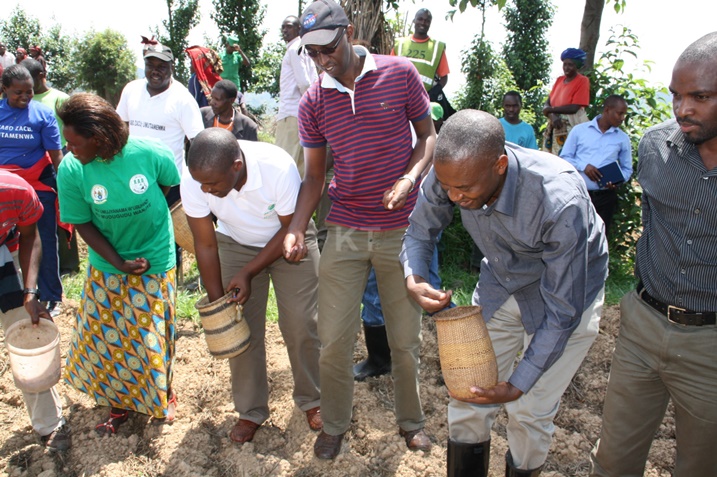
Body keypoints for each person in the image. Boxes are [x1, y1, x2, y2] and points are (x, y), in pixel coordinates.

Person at [401, 110, 608, 477]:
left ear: (499, 165)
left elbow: (563, 310)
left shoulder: (558, 199)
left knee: (529, 410)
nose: (453, 196)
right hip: (500, 282)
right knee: (468, 393)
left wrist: (518, 383)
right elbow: (420, 230)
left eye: (464, 189)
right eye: (448, 187)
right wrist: (414, 275)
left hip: (562, 294)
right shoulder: (453, 170)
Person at [283, 0, 436, 460]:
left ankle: (412, 422)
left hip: (398, 230)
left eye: (328, 47)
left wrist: (409, 178)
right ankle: (334, 424)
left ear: (348, 32)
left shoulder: (399, 72)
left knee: (405, 340)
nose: (322, 60)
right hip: (345, 230)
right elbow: (314, 177)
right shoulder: (314, 101)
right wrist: (295, 226)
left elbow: (428, 136)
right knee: (332, 342)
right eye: (311, 53)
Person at [590, 32, 717, 477]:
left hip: (710, 343)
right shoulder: (655, 148)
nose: (683, 109)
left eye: (700, 96)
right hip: (643, 326)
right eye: (676, 96)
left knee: (700, 465)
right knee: (612, 459)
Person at [182, 128, 322, 444]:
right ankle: (250, 411)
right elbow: (205, 244)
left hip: (289, 240)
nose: (205, 188)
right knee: (241, 327)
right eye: (201, 183)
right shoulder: (195, 178)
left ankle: (314, 400)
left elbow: (290, 228)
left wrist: (248, 272)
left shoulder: (276, 166)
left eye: (213, 184)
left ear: (236, 165)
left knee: (301, 323)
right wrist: (220, 308)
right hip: (235, 241)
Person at [56, 92, 180, 435]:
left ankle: (164, 394)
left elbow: (169, 185)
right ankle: (119, 403)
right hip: (107, 262)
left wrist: (146, 227)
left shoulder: (148, 152)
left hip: (154, 255)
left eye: (76, 143)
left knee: (153, 332)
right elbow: (81, 222)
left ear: (99, 138)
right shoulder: (71, 169)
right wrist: (118, 260)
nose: (71, 149)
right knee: (109, 337)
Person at [0, 169, 71, 451]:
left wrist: (30, 293)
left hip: (6, 253)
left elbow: (31, 235)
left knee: (26, 338)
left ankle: (49, 423)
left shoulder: (14, 190)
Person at [0, 64, 64, 316]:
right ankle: (19, 294)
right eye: (18, 93)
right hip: (4, 186)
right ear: (4, 90)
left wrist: (64, 184)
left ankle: (50, 295)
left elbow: (55, 154)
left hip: (36, 182)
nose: (25, 97)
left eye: (29, 92)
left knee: (44, 237)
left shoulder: (43, 114)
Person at [116, 38, 204, 206]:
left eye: (162, 67)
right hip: (134, 178)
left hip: (169, 183)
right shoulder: (131, 90)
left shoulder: (183, 99)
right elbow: (121, 126)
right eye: (150, 66)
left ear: (172, 67)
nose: (155, 72)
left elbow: (198, 142)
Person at [21, 57, 79, 276]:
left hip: (59, 158)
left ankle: (68, 265)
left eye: (30, 81)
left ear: (41, 76)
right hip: (32, 165)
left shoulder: (59, 99)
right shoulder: (19, 100)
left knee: (62, 212)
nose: (27, 90)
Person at [560, 95, 632, 235]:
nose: (622, 118)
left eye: (624, 114)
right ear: (607, 110)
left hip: (605, 197)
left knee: (599, 237)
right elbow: (564, 157)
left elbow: (627, 169)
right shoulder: (579, 131)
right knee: (574, 235)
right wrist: (583, 166)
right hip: (579, 193)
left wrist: (617, 181)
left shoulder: (622, 138)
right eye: (619, 113)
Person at [276, 15, 319, 177]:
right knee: (300, 166)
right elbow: (313, 82)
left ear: (299, 29)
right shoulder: (305, 49)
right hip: (300, 114)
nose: (285, 30)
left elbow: (304, 83)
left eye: (289, 26)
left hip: (291, 114)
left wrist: (309, 105)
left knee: (284, 163)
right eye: (283, 27)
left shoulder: (295, 49)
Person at [542, 48, 590, 155]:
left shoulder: (582, 81)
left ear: (577, 66)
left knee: (568, 155)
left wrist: (551, 110)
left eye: (570, 65)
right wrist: (552, 115)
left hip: (572, 123)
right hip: (555, 123)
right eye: (565, 64)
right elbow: (547, 104)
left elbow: (574, 107)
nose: (566, 68)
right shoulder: (559, 80)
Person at [392, 8, 449, 91]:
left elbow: (444, 77)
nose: (423, 23)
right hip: (400, 97)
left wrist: (434, 93)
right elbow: (390, 71)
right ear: (414, 20)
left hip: (423, 99)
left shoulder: (437, 47)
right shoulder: (400, 44)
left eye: (427, 21)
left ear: (430, 23)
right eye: (420, 19)